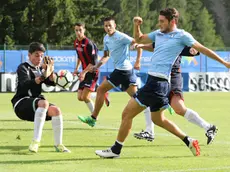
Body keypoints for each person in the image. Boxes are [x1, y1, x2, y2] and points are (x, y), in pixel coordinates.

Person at [95, 8, 230, 158]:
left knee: (127, 113)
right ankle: (189, 141)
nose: (159, 24)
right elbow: (139, 39)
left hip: (157, 83)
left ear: (172, 21)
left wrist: (224, 62)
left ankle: (116, 150)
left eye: (162, 21)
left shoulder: (182, 36)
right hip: (157, 82)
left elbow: (203, 49)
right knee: (158, 119)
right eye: (159, 21)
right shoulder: (158, 34)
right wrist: (136, 25)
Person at [134, 43, 218, 145]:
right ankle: (149, 131)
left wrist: (194, 50)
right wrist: (140, 45)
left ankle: (208, 127)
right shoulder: (161, 37)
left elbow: (193, 49)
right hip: (158, 77)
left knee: (179, 108)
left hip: (173, 77)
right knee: (147, 100)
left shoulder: (177, 38)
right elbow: (152, 46)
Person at [77, 17, 143, 127]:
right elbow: (106, 56)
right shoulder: (106, 38)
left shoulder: (121, 36)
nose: (108, 28)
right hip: (122, 71)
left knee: (101, 89)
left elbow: (138, 43)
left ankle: (93, 118)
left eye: (110, 25)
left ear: (115, 26)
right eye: (105, 26)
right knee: (138, 98)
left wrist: (138, 61)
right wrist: (97, 65)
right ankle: (156, 104)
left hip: (124, 70)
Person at [11, 42, 70, 153]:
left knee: (56, 110)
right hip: (21, 103)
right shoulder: (23, 67)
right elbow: (26, 84)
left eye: (42, 55)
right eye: (36, 55)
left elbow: (51, 82)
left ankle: (59, 145)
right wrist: (44, 74)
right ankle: (35, 142)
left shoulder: (40, 69)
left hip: (36, 104)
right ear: (29, 55)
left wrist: (51, 70)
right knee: (44, 103)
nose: (39, 58)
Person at [73, 23, 110, 114]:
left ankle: (94, 116)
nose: (78, 32)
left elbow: (93, 63)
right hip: (84, 71)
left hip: (92, 71)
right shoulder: (76, 42)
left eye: (80, 30)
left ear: (84, 30)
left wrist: (84, 72)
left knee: (85, 97)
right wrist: (76, 69)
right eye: (76, 30)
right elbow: (79, 57)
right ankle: (102, 94)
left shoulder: (89, 44)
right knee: (80, 97)